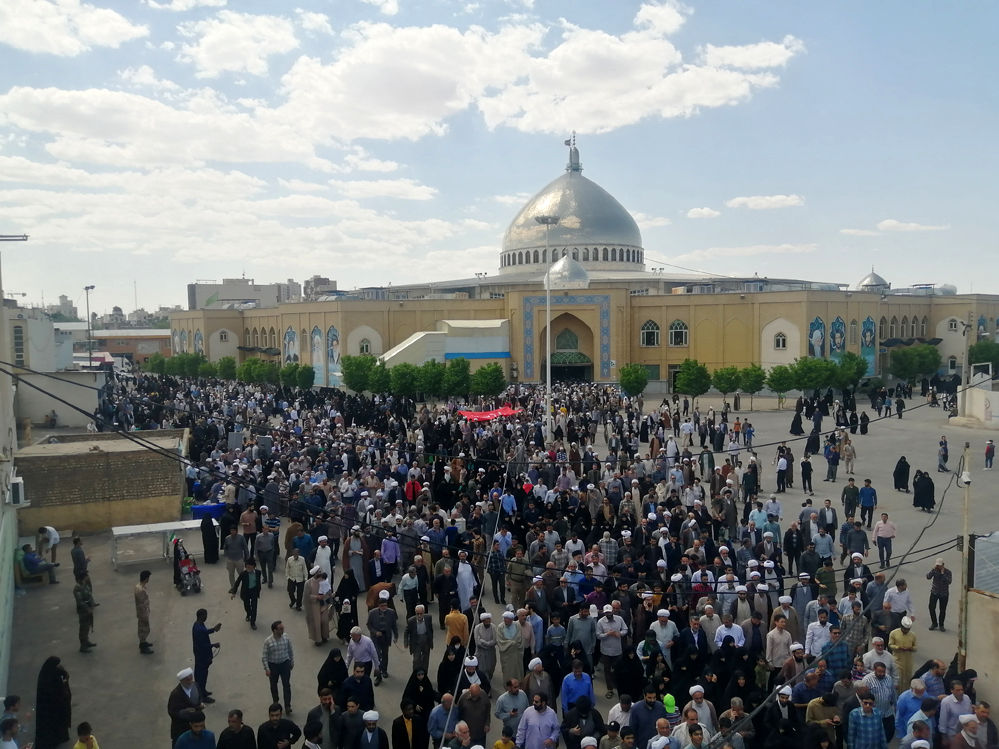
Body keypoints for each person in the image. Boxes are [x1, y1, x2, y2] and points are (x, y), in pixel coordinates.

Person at [35, 656, 72, 749]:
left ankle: (60, 737)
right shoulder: (46, 680)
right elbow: (53, 693)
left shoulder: (50, 672)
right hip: (50, 709)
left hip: (56, 706)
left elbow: (63, 675)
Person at [262, 620, 295, 714]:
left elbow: (290, 650)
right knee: (273, 685)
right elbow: (264, 656)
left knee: (286, 685)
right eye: (280, 629)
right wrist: (267, 669)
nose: (282, 631)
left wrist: (291, 661)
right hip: (273, 665)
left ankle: (287, 706)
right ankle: (275, 702)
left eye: (283, 628)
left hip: (284, 664)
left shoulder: (286, 637)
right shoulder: (268, 641)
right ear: (274, 630)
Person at [368, 589, 399, 682]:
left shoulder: (391, 612)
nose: (384, 607)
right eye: (382, 606)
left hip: (386, 637)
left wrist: (396, 636)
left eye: (385, 605)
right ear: (378, 606)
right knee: (377, 655)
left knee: (385, 655)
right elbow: (368, 624)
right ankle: (378, 675)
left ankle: (384, 670)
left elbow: (394, 625)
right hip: (376, 637)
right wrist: (375, 632)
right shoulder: (372, 613)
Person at [168, 669, 203, 747]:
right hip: (181, 727)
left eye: (191, 679)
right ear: (181, 681)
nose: (190, 681)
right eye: (187, 680)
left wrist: (200, 705)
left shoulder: (195, 686)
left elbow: (199, 697)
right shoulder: (176, 694)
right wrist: (184, 712)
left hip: (196, 723)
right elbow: (172, 711)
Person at [191, 609, 221, 701]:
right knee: (201, 676)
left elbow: (205, 632)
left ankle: (203, 691)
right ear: (201, 616)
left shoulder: (198, 625)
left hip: (201, 655)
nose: (206, 617)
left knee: (203, 674)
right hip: (202, 656)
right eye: (205, 615)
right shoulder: (198, 628)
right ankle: (202, 696)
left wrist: (213, 630)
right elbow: (202, 645)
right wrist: (213, 645)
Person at [230, 557, 263, 629]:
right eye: (247, 567)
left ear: (254, 566)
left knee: (254, 607)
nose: (248, 569)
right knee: (247, 606)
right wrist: (234, 593)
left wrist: (258, 590)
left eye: (250, 567)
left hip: (254, 591)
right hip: (246, 592)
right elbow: (237, 583)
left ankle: (253, 623)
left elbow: (258, 582)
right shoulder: (243, 574)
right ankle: (248, 614)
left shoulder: (258, 573)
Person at [73, 573, 98, 653]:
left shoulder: (85, 585)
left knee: (87, 626)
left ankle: (86, 641)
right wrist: (88, 609)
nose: (87, 578)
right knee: (83, 628)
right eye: (85, 577)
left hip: (89, 608)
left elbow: (90, 595)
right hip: (83, 611)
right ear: (81, 579)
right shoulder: (77, 588)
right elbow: (80, 602)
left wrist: (92, 604)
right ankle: (83, 646)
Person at [305, 566, 331, 646]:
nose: (320, 573)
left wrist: (328, 596)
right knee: (317, 623)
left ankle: (325, 636)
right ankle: (318, 639)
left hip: (324, 604)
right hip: (314, 605)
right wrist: (316, 597)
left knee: (325, 621)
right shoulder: (308, 583)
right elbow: (307, 596)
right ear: (315, 574)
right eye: (318, 572)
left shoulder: (324, 580)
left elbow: (328, 590)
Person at [407, 605, 436, 673]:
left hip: (426, 642)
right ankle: (415, 674)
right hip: (416, 642)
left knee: (425, 659)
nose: (419, 615)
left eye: (421, 613)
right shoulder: (411, 620)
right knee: (416, 660)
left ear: (424, 612)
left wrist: (430, 639)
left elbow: (430, 629)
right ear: (415, 613)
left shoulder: (428, 618)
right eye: (417, 614)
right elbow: (407, 631)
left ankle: (424, 673)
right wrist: (407, 642)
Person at [927, 558, 952, 631]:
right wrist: (932, 570)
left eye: (940, 565)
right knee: (931, 608)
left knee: (942, 610)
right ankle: (934, 623)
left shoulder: (948, 572)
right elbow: (928, 577)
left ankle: (941, 624)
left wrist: (942, 573)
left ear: (943, 565)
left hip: (944, 594)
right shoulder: (934, 570)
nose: (938, 567)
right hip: (934, 592)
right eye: (937, 565)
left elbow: (949, 581)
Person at [134, 569, 153, 655]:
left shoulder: (140, 586)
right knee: (143, 629)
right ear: (146, 578)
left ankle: (144, 642)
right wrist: (145, 615)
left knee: (144, 628)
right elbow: (142, 604)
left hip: (144, 611)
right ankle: (143, 646)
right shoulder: (140, 590)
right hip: (142, 612)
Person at [286, 546, 309, 611]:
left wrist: (306, 577)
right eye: (294, 553)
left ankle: (298, 605)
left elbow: (304, 569)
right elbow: (287, 568)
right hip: (292, 578)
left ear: (299, 553)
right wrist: (287, 577)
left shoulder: (302, 559)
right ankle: (293, 600)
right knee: (290, 591)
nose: (295, 555)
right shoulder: (289, 559)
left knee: (300, 593)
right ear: (293, 553)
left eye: (296, 553)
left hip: (300, 579)